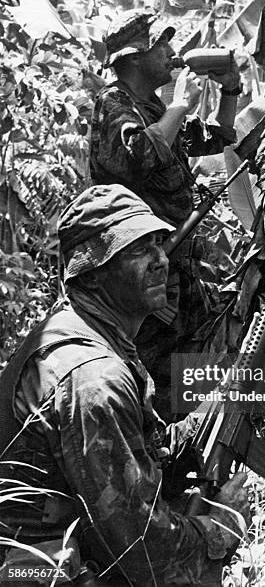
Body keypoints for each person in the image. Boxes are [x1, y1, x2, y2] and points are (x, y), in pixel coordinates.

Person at [0, 185, 251, 587]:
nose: (161, 260)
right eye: (137, 249)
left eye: (157, 243)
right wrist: (217, 529)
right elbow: (144, 555)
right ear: (93, 272)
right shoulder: (93, 377)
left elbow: (136, 448)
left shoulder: (83, 331)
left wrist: (229, 395)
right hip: (43, 571)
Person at [89, 9, 242, 419]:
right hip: (139, 266)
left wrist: (230, 92)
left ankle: (173, 452)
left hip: (173, 259)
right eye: (163, 45)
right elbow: (135, 157)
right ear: (136, 57)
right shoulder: (114, 103)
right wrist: (179, 105)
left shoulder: (152, 107)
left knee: (184, 357)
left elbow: (212, 140)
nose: (173, 54)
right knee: (142, 366)